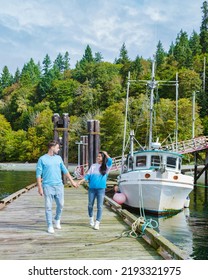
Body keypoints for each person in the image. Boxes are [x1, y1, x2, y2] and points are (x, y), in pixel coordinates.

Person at [36, 140, 77, 234]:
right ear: (52, 147)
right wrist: (39, 187)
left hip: (59, 185)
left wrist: (72, 181)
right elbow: (38, 174)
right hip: (47, 186)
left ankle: (57, 219)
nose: (58, 149)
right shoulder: (42, 159)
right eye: (57, 148)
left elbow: (65, 170)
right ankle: (50, 225)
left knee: (61, 204)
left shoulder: (58, 158)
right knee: (48, 207)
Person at [77, 151, 112, 230]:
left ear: (103, 158)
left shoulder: (106, 167)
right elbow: (87, 176)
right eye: (98, 156)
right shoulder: (93, 166)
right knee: (90, 205)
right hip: (92, 189)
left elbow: (110, 161)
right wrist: (79, 182)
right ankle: (91, 218)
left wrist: (106, 154)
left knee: (100, 206)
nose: (98, 157)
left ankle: (97, 223)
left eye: (100, 156)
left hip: (101, 189)